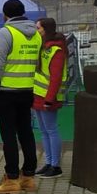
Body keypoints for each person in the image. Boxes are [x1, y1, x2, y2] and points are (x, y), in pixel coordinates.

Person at [0, 0, 42, 194]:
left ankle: (11, 179)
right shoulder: (36, 34)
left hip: (6, 92)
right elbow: (36, 63)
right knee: (26, 132)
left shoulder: (6, 32)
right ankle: (28, 176)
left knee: (8, 135)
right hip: (27, 90)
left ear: (5, 15)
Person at [32, 17, 69, 178]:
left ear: (46, 30)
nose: (36, 31)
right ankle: (49, 163)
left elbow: (56, 76)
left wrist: (49, 98)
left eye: (38, 28)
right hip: (38, 95)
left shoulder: (56, 50)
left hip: (48, 96)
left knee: (51, 130)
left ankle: (55, 165)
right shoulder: (44, 47)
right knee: (44, 131)